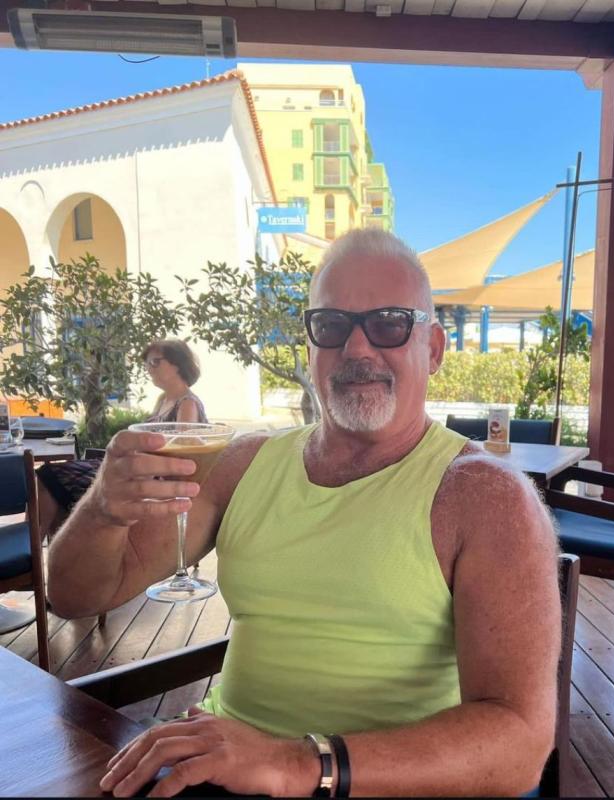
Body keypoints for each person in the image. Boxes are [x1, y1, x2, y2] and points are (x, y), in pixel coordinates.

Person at [47, 230, 561, 798]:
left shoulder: (487, 498)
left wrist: (296, 764)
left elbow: (520, 743)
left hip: (375, 782)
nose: (357, 348)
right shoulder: (242, 465)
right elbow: (76, 596)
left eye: (389, 323)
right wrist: (103, 510)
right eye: (332, 325)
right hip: (217, 765)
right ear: (310, 345)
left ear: (433, 348)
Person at [37, 338, 207, 538]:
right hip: (139, 470)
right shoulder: (164, 399)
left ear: (177, 364)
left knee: (52, 477)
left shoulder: (187, 403)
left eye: (155, 362)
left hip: (151, 476)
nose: (149, 368)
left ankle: (36, 549)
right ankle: (47, 548)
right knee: (51, 479)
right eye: (147, 363)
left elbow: (182, 450)